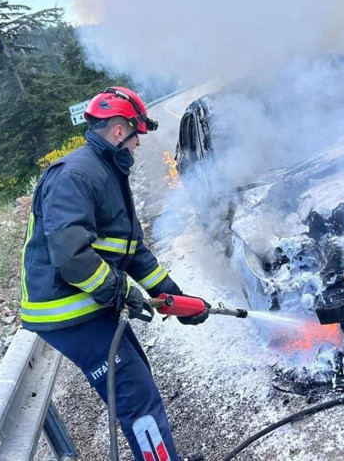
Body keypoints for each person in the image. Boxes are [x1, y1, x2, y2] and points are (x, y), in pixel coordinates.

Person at [20, 86, 206, 461]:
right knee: (136, 397)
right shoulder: (76, 175)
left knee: (140, 383)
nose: (139, 144)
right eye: (137, 135)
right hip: (70, 313)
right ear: (119, 131)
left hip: (90, 306)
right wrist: (120, 291)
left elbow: (131, 250)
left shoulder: (106, 171)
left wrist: (176, 298)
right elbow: (72, 258)